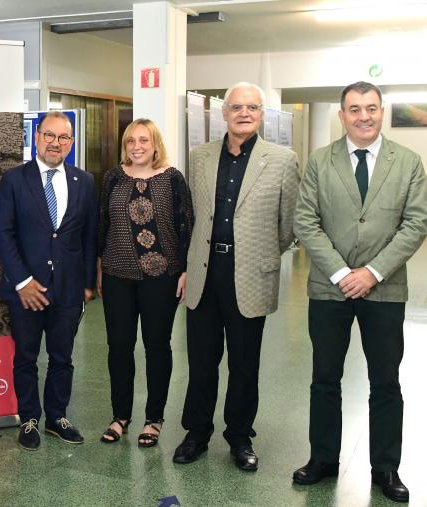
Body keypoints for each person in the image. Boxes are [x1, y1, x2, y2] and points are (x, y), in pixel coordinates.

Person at [293, 81, 427, 503]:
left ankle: (386, 467)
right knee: (324, 379)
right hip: (328, 290)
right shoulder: (320, 161)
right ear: (342, 115)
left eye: (371, 108)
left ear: (382, 111)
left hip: (384, 290)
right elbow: (305, 221)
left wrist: (371, 272)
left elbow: (415, 224)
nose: (363, 116)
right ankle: (323, 460)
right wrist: (339, 272)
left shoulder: (408, 162)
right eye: (354, 109)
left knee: (385, 381)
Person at [173, 82, 299, 471]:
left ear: (261, 115)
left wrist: (257, 253)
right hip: (204, 273)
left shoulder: (281, 159)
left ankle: (239, 435)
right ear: (224, 113)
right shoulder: (200, 156)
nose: (245, 113)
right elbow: (194, 216)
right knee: (201, 360)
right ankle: (196, 432)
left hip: (248, 274)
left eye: (253, 108)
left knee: (245, 363)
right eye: (237, 107)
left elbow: (287, 225)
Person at [0, 111, 98, 450]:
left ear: (71, 142)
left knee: (62, 356)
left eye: (63, 137)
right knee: (25, 356)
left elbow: (89, 236)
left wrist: (86, 285)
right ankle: (29, 419)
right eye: (49, 135)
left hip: (68, 288)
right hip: (26, 289)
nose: (55, 143)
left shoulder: (85, 181)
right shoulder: (14, 180)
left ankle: (56, 416)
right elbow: (3, 233)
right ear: (36, 137)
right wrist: (22, 281)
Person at [97, 119, 193, 447]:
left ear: (155, 144)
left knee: (156, 347)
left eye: (144, 140)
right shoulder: (113, 178)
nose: (137, 146)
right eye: (130, 141)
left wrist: (185, 270)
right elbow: (102, 224)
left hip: (160, 279)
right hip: (116, 275)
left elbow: (186, 226)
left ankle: (154, 419)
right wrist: (97, 266)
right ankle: (120, 415)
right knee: (119, 347)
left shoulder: (172, 179)